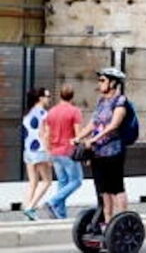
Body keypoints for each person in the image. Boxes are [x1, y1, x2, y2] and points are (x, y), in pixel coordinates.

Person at [76, 68, 130, 226]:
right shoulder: (101, 101)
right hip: (98, 152)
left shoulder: (120, 102)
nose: (99, 84)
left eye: (102, 80)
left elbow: (114, 125)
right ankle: (108, 222)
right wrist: (78, 137)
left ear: (113, 83)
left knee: (116, 187)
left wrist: (95, 139)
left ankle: (123, 221)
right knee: (103, 189)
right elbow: (93, 123)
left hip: (114, 151)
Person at [44, 85, 84, 219]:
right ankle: (52, 202)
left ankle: (60, 215)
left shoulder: (51, 112)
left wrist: (48, 153)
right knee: (77, 181)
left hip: (55, 152)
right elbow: (78, 134)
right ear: (72, 96)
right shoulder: (75, 111)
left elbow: (47, 135)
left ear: (60, 95)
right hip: (68, 151)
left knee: (62, 182)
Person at [21, 87, 52, 221]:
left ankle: (28, 208)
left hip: (28, 151)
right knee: (47, 181)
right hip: (40, 151)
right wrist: (49, 153)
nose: (49, 99)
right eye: (47, 96)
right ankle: (30, 208)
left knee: (33, 181)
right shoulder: (43, 114)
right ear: (40, 98)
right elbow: (44, 135)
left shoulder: (27, 113)